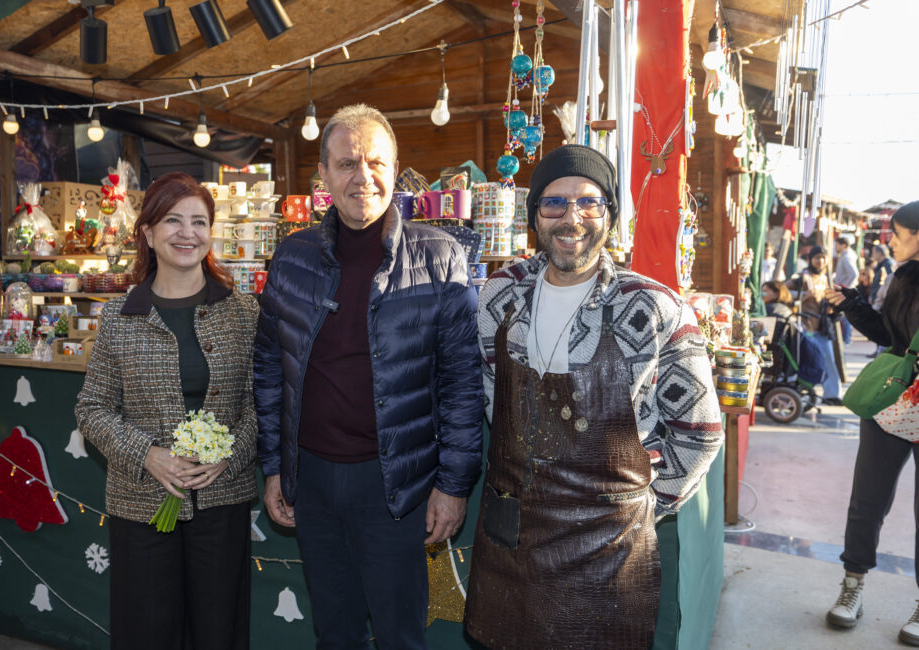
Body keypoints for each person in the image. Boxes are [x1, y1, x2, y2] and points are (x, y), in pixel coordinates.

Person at [463, 145, 723, 648]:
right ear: (535, 214)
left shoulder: (652, 307)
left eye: (589, 202)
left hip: (608, 551)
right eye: (553, 203)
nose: (571, 218)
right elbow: (489, 399)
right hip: (511, 537)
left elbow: (699, 433)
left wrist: (640, 508)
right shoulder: (500, 295)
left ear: (609, 214)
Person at [254, 104, 483, 649]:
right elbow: (267, 368)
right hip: (311, 480)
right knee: (335, 631)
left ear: (396, 168)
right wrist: (272, 466)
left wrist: (452, 486)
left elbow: (462, 385)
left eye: (376, 161)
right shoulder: (292, 258)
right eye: (348, 163)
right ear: (325, 175)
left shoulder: (440, 256)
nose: (363, 176)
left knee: (400, 634)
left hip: (396, 486)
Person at [76, 173, 258, 649]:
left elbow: (266, 406)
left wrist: (230, 455)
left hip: (223, 500)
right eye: (173, 220)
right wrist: (147, 454)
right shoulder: (119, 317)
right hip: (140, 504)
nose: (187, 233)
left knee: (219, 631)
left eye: (199, 221)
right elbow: (92, 408)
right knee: (147, 632)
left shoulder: (243, 312)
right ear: (148, 232)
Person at [823, 201, 919, 646]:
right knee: (868, 499)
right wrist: (853, 305)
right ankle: (853, 586)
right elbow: (891, 336)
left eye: (897, 233)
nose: (890, 240)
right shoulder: (903, 275)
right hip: (891, 400)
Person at [800, 246, 843, 405]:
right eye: (817, 257)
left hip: (822, 328)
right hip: (806, 328)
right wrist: (803, 296)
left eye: (823, 257)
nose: (820, 261)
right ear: (810, 259)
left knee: (829, 361)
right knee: (808, 361)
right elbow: (783, 292)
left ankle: (832, 395)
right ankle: (805, 392)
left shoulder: (827, 278)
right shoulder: (803, 277)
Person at [834, 236, 859, 345]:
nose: (835, 247)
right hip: (845, 290)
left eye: (836, 245)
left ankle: (845, 339)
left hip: (845, 291)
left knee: (844, 316)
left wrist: (845, 288)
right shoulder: (846, 255)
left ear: (843, 245)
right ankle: (846, 338)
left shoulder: (846, 257)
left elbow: (854, 274)